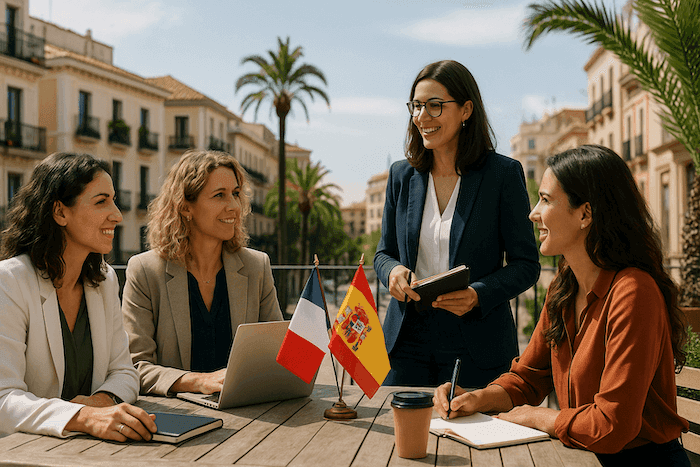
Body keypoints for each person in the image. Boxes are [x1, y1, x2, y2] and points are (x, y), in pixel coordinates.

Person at [434, 145, 690, 466]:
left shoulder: (633, 292)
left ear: (585, 213)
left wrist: (540, 417)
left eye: (545, 199)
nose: (533, 213)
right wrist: (475, 398)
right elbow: (528, 378)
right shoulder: (563, 286)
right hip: (580, 455)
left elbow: (613, 425)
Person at [374, 60, 540, 388]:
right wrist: (392, 272)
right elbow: (384, 253)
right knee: (397, 439)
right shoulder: (401, 176)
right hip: (406, 343)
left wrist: (478, 294)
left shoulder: (503, 175)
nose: (422, 116)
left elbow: (526, 265)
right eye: (417, 106)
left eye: (435, 106)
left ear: (466, 110)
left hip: (477, 345)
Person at [0, 152, 156, 440]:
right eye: (101, 202)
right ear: (60, 212)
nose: (118, 215)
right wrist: (83, 417)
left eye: (113, 199)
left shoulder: (105, 280)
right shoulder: (9, 281)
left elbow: (124, 372)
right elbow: (3, 399)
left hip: (91, 451)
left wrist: (102, 402)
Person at [122, 149, 283, 396]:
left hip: (249, 414)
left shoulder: (256, 267)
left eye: (236, 194)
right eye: (219, 195)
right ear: (186, 207)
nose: (234, 207)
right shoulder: (145, 271)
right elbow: (135, 367)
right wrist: (197, 382)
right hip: (179, 417)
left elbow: (278, 354)